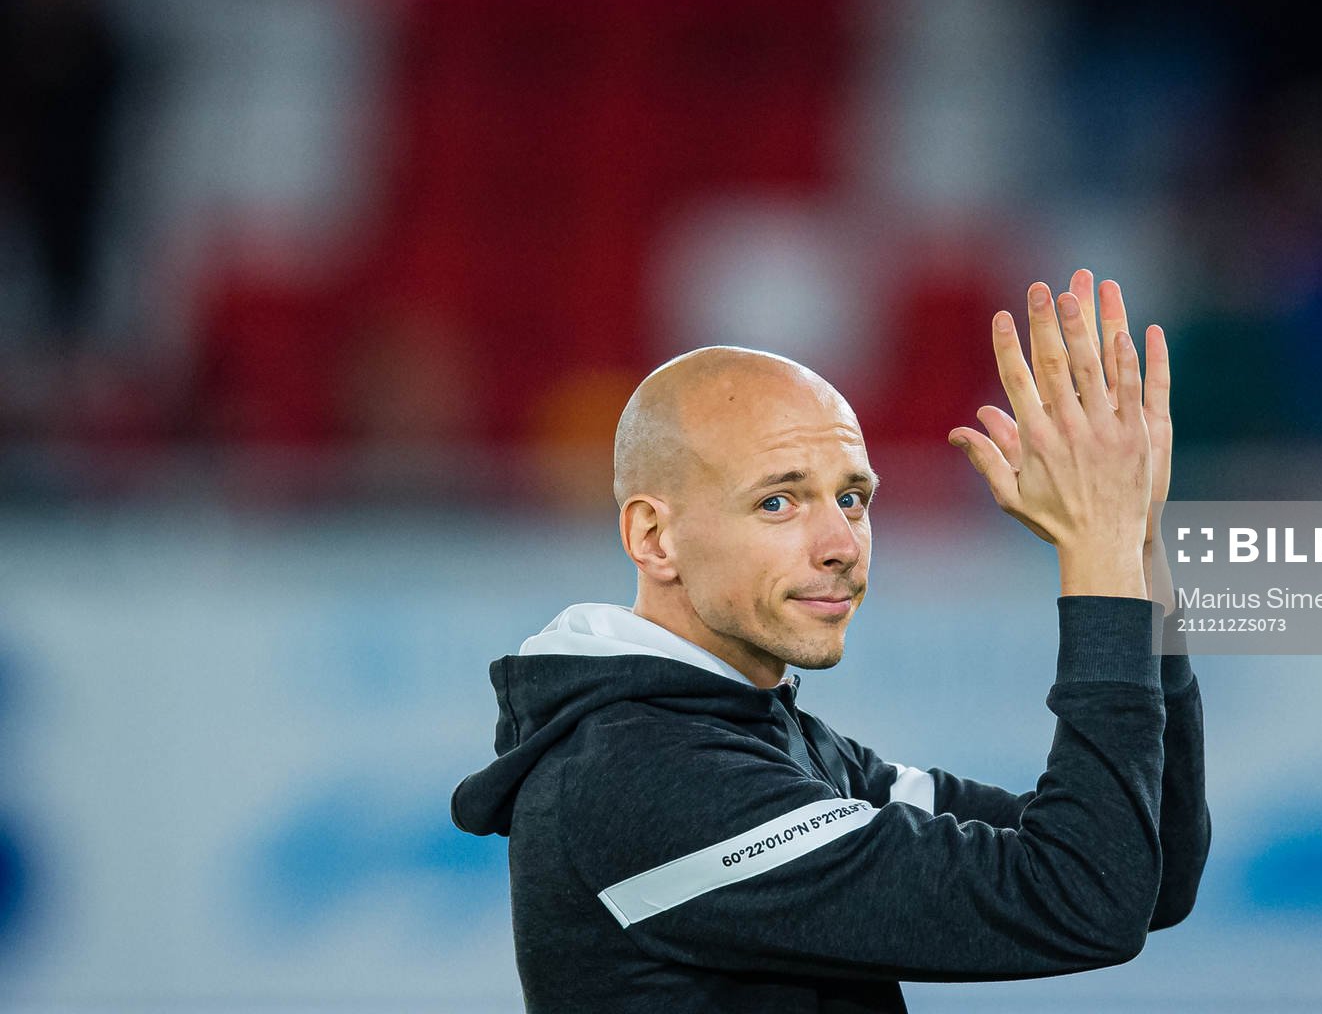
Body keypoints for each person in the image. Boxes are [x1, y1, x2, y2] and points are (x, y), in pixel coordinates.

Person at [451, 271, 1210, 1012]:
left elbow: (1148, 874)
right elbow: (1079, 897)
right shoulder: (645, 777)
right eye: (778, 501)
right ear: (655, 537)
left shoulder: (756, 737)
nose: (841, 542)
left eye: (852, 497)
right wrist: (1097, 558)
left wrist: (1137, 549)